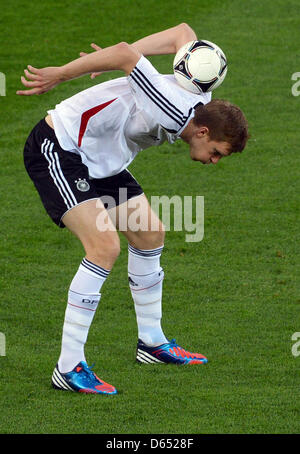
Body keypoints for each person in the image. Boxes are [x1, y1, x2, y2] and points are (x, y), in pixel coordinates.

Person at [17, 23, 249, 395]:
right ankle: (68, 366)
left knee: (150, 233)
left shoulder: (200, 89)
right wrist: (61, 75)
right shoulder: (175, 111)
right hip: (61, 146)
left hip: (102, 159)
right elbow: (126, 53)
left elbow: (183, 33)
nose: (214, 161)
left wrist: (109, 62)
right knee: (104, 247)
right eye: (216, 153)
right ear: (203, 133)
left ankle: (152, 343)